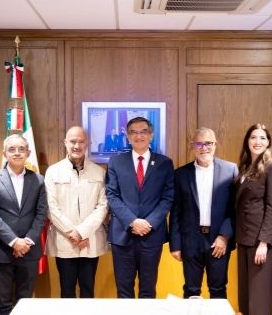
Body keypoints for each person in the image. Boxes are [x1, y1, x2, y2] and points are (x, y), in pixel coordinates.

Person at [0, 134, 48, 315]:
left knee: (24, 301)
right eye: (12, 149)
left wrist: (27, 241)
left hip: (29, 249)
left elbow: (41, 213)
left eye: (21, 149)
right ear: (4, 153)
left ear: (28, 153)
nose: (17, 153)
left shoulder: (38, 180)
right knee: (3, 302)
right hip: (1, 250)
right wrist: (13, 241)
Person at [105, 116, 174, 298]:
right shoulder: (116, 162)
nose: (139, 136)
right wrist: (132, 221)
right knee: (124, 291)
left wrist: (149, 223)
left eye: (143, 132)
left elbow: (168, 197)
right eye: (133, 132)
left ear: (151, 135)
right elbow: (112, 195)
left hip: (152, 235)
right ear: (128, 137)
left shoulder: (164, 163)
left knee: (148, 290)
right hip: (123, 235)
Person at [169, 127, 238, 298]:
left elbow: (235, 209)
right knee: (191, 290)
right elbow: (176, 211)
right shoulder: (180, 174)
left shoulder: (230, 170)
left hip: (218, 241)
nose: (203, 148)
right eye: (199, 144)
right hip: (190, 241)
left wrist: (224, 237)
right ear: (193, 146)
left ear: (215, 144)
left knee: (218, 289)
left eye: (208, 143)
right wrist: (175, 245)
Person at [234, 124, 272, 315]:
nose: (257, 141)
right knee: (246, 298)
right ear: (247, 140)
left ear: (268, 142)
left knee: (259, 301)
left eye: (262, 137)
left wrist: (264, 241)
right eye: (253, 137)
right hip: (244, 240)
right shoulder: (245, 167)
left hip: (260, 243)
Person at [44, 126, 108, 298]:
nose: (77, 146)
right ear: (65, 143)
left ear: (87, 144)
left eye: (81, 142)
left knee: (88, 288)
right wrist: (72, 233)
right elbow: (51, 206)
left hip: (90, 239)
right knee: (67, 289)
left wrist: (82, 232)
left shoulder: (99, 172)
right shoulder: (53, 171)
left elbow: (103, 206)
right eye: (73, 141)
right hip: (65, 239)